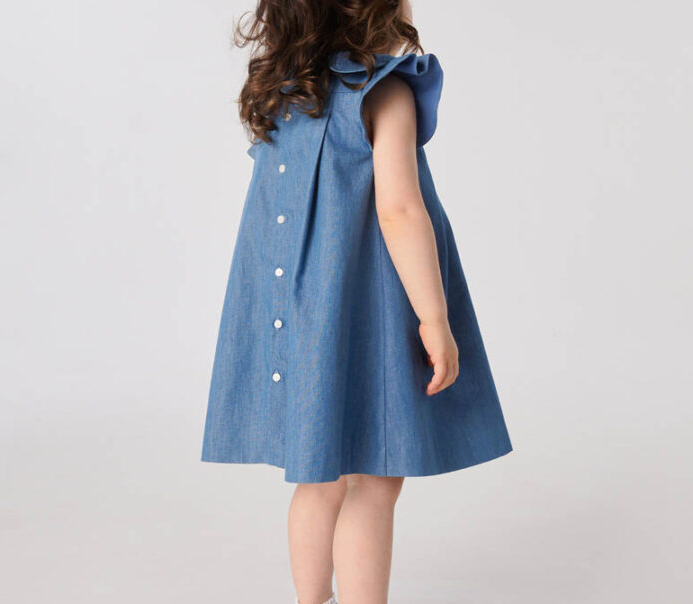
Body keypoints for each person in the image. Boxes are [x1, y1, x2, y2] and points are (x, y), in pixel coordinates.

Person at [200, 1, 513, 602]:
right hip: (369, 314)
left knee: (320, 478)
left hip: (302, 311)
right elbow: (400, 210)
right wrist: (434, 317)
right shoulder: (384, 89)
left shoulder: (286, 93)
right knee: (375, 479)